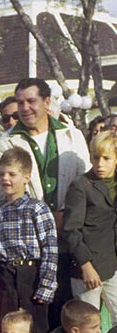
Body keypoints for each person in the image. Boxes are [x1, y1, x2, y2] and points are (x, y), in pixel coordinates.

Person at [0, 148, 58, 333]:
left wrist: (46, 285)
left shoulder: (37, 208)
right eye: (2, 174)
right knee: (6, 328)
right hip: (3, 277)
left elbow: (50, 248)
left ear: (26, 177)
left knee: (34, 329)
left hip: (29, 275)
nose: (6, 178)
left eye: (12, 174)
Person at [0, 77, 89, 222]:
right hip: (29, 229)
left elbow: (85, 182)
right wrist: (44, 219)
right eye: (20, 103)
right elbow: (4, 192)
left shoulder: (72, 136)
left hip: (71, 227)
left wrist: (68, 217)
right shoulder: (4, 143)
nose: (25, 108)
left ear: (47, 102)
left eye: (31, 101)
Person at [62, 130, 117, 315]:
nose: (99, 164)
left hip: (112, 265)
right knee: (87, 326)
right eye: (95, 157)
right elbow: (71, 230)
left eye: (106, 158)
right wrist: (86, 266)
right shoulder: (81, 185)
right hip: (87, 269)